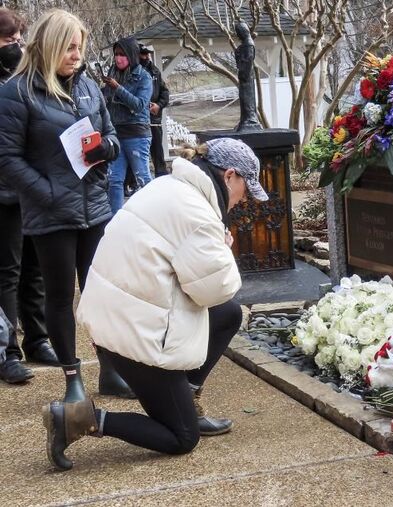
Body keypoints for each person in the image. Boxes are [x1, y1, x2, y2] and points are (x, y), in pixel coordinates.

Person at [42, 138, 268, 471]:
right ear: (230, 176)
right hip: (133, 336)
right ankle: (80, 419)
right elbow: (215, 289)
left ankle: (186, 398)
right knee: (182, 437)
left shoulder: (169, 186)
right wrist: (224, 247)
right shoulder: (198, 215)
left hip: (117, 317)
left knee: (228, 315)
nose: (245, 199)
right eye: (247, 189)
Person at [0, 9, 134, 400]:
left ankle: (110, 372)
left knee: (99, 294)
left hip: (93, 205)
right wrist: (46, 192)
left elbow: (110, 133)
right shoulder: (16, 92)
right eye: (69, 47)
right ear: (49, 45)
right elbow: (7, 158)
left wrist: (107, 148)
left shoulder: (89, 88)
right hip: (52, 212)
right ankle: (72, 380)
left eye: (80, 47)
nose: (76, 55)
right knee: (59, 297)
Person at [0, 7, 59, 385]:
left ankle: (38, 338)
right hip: (5, 190)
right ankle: (8, 350)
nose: (17, 46)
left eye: (19, 39)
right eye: (9, 39)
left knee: (35, 269)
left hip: (32, 188)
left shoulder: (25, 79)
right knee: (7, 271)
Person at [103, 36, 153, 213]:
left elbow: (139, 105)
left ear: (132, 55)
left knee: (142, 177)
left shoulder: (144, 77)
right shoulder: (112, 74)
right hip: (116, 134)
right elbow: (106, 103)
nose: (118, 58)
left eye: (122, 54)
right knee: (114, 179)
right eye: (116, 54)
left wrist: (118, 88)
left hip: (137, 134)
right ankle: (114, 222)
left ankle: (154, 215)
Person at [139, 45, 170, 177]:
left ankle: (161, 174)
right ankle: (134, 180)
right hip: (138, 119)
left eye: (149, 54)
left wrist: (158, 105)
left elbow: (165, 92)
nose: (147, 57)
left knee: (157, 148)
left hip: (155, 118)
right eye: (144, 54)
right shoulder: (132, 71)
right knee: (139, 151)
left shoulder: (155, 71)